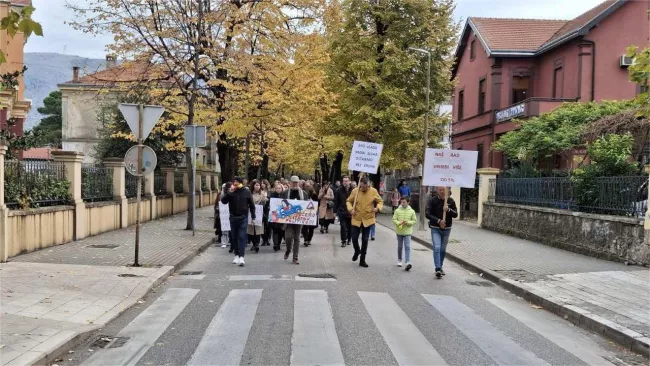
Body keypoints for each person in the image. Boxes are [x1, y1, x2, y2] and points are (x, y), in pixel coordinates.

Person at [346, 177, 383, 267]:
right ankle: (357, 250)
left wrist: (377, 208)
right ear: (360, 185)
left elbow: (380, 201)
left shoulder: (373, 191)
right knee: (354, 238)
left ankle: (362, 260)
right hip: (356, 218)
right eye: (362, 187)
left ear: (368, 185)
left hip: (368, 219)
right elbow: (348, 201)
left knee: (365, 240)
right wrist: (351, 209)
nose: (364, 189)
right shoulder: (355, 191)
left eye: (366, 187)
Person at [221, 177, 256, 267]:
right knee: (234, 237)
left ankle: (241, 257)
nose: (235, 183)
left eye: (237, 182)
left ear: (241, 183)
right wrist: (230, 193)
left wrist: (253, 217)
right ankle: (236, 255)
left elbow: (252, 205)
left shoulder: (246, 192)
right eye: (234, 182)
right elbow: (223, 201)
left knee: (241, 236)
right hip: (233, 218)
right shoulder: (231, 192)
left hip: (243, 217)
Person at [426, 186, 458, 278]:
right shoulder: (432, 201)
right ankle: (437, 268)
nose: (442, 191)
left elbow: (455, 214)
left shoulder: (450, 201)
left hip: (447, 229)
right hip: (435, 228)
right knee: (436, 247)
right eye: (440, 190)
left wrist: (448, 209)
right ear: (437, 190)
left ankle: (441, 265)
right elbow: (427, 214)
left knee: (442, 249)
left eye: (444, 189)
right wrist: (439, 221)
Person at [283, 176, 306, 264]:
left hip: (299, 218)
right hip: (288, 218)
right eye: (293, 182)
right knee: (288, 237)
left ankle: (295, 257)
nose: (295, 184)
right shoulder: (285, 193)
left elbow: (306, 205)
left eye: (296, 182)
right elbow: (280, 204)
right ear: (290, 182)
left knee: (297, 238)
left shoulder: (303, 193)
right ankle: (288, 250)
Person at [392, 197, 416, 271]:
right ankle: (399, 259)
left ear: (408, 202)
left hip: (408, 232)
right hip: (399, 231)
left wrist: (408, 222)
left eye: (404, 202)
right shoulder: (397, 210)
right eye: (401, 202)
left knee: (407, 246)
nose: (402, 203)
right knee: (400, 246)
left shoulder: (412, 211)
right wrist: (399, 223)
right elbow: (394, 219)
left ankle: (407, 262)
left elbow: (414, 220)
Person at [247, 180, 268, 253]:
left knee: (258, 230)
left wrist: (265, 199)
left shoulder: (263, 194)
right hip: (251, 213)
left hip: (259, 214)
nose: (257, 186)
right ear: (253, 186)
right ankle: (253, 243)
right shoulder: (249, 194)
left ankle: (257, 244)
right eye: (256, 185)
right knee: (251, 229)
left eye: (258, 185)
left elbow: (265, 203)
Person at [334, 176, 353, 247]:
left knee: (350, 227)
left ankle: (349, 239)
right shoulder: (339, 190)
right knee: (343, 226)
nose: (344, 182)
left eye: (346, 181)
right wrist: (335, 211)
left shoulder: (353, 190)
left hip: (350, 212)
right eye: (344, 181)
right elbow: (336, 201)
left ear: (349, 182)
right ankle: (343, 241)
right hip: (342, 212)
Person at [269, 183, 285, 252]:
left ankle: (278, 243)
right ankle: (275, 244)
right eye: (277, 188)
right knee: (275, 229)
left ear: (282, 189)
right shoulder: (272, 195)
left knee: (280, 230)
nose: (278, 189)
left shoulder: (284, 195)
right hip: (274, 215)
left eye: (279, 188)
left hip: (282, 215)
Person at [260, 179, 271, 246]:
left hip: (267, 209)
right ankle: (263, 239)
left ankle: (267, 238)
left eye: (263, 183)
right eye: (261, 183)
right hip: (261, 209)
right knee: (261, 225)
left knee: (267, 225)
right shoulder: (259, 192)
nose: (262, 184)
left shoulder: (269, 192)